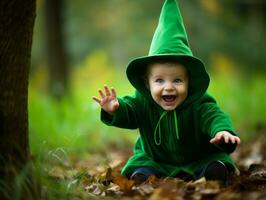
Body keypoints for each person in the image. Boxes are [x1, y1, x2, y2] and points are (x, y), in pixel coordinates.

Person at [92, 0, 240, 185]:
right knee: (140, 166)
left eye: (177, 80)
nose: (168, 87)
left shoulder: (199, 102)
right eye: (159, 80)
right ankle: (144, 176)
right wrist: (115, 109)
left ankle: (213, 173)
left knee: (217, 162)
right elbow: (130, 111)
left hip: (197, 158)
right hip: (158, 160)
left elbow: (214, 116)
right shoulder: (143, 101)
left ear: (189, 82)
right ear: (147, 84)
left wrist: (222, 131)